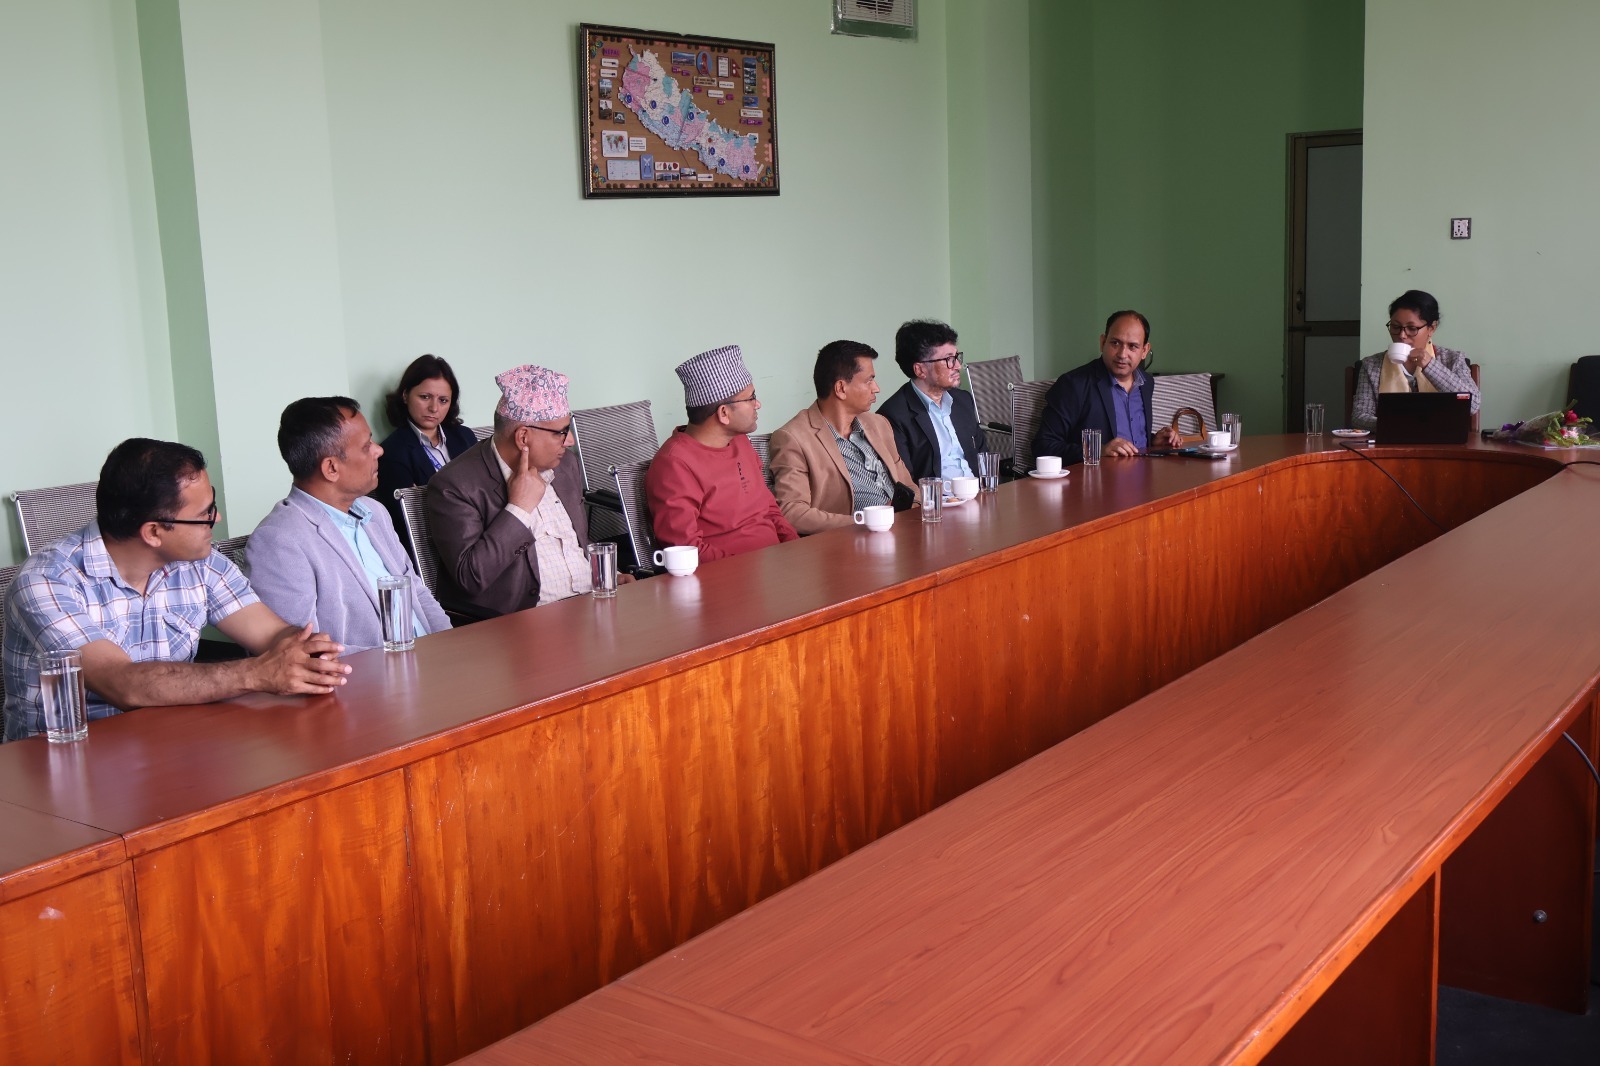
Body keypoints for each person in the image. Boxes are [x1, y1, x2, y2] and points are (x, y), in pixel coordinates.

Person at [2, 439, 350, 741]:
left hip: (169, 744)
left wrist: (305, 651)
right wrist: (257, 674)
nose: (217, 520)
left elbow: (270, 633)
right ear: (153, 532)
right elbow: (122, 684)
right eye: (205, 513)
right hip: (63, 764)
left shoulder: (201, 563)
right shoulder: (47, 581)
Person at [246, 397, 451, 651]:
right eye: (366, 446)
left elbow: (417, 592)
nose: (379, 450)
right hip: (375, 673)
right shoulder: (279, 541)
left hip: (430, 659)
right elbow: (304, 653)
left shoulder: (374, 512)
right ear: (331, 468)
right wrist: (401, 663)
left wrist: (450, 645)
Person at [425, 364, 593, 617]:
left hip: (591, 605)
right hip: (523, 624)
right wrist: (519, 509)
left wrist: (608, 574)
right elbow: (470, 577)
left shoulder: (565, 464)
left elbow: (576, 542)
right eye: (561, 432)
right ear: (523, 437)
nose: (569, 441)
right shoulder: (454, 486)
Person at [645, 345, 798, 560]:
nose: (758, 404)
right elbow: (686, 550)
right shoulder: (674, 465)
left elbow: (768, 508)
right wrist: (749, 569)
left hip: (777, 564)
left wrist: (796, 549)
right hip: (729, 575)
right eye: (751, 397)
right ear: (724, 413)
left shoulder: (740, 442)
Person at [770, 340, 916, 534]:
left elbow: (909, 486)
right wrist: (864, 522)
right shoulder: (793, 438)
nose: (876, 388)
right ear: (841, 388)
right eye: (869, 380)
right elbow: (792, 512)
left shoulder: (879, 424)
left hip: (903, 530)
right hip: (850, 541)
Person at [1032, 310, 1184, 463]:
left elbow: (1128, 436)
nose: (1122, 354)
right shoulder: (1073, 384)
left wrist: (1153, 440)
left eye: (1132, 346)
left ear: (1144, 350)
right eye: (1115, 343)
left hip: (1143, 473)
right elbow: (1042, 447)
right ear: (1103, 342)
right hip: (1096, 477)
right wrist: (1097, 451)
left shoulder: (1146, 382)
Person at [374, 354, 479, 530]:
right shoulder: (391, 452)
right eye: (424, 397)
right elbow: (409, 519)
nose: (434, 408)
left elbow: (487, 491)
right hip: (433, 539)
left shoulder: (465, 437)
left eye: (443, 400)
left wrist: (424, 495)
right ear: (405, 395)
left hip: (479, 528)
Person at [1351, 290, 1480, 431]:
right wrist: (1401, 424)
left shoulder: (1452, 360)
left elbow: (1472, 404)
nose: (1402, 335)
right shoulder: (1372, 365)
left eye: (1412, 328)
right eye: (1395, 327)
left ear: (1431, 328)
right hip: (1391, 441)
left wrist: (1430, 365)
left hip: (1443, 440)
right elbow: (1359, 417)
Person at [877, 319, 983, 482]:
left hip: (978, 492)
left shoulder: (963, 400)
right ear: (920, 370)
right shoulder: (893, 415)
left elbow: (983, 457)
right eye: (949, 359)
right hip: (938, 497)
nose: (958, 366)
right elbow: (905, 482)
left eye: (956, 357)